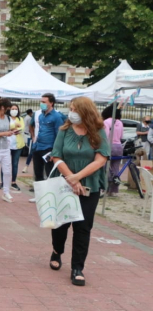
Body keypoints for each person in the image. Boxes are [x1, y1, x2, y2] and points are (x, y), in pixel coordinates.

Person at [49, 97, 109, 287]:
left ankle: (77, 268)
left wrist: (78, 177)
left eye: (75, 109)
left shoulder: (98, 132)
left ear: (85, 111)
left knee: (83, 227)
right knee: (61, 224)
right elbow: (56, 155)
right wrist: (71, 179)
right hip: (65, 183)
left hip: (90, 185)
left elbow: (101, 159)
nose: (71, 112)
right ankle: (57, 250)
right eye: (71, 108)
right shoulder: (64, 131)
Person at [29, 93, 64, 202]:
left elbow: (59, 134)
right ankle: (39, 196)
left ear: (51, 103)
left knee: (50, 173)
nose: (42, 103)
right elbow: (37, 129)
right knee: (38, 172)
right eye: (41, 101)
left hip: (48, 149)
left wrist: (55, 151)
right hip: (38, 147)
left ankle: (51, 196)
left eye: (44, 102)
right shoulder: (40, 116)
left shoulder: (57, 117)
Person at [0, 104, 25, 191]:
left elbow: (22, 128)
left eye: (16, 109)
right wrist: (14, 126)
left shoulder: (20, 119)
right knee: (5, 163)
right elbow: (6, 127)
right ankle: (3, 182)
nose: (14, 110)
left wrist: (13, 128)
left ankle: (13, 182)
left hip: (17, 145)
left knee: (15, 164)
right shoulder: (6, 118)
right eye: (12, 109)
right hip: (6, 144)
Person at [102, 106, 124, 196]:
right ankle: (114, 190)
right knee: (116, 168)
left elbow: (105, 135)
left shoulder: (106, 122)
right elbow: (121, 136)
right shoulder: (120, 122)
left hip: (109, 146)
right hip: (119, 146)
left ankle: (106, 187)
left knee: (105, 167)